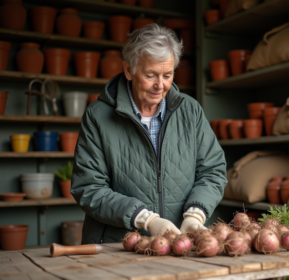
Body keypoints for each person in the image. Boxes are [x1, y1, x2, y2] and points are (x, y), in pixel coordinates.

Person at [71, 23, 227, 244]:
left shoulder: (190, 111)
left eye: (168, 74)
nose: (160, 85)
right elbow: (88, 188)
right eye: (151, 75)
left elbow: (213, 170)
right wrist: (146, 219)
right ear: (128, 70)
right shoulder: (98, 116)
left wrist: (195, 214)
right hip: (118, 246)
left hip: (179, 245)